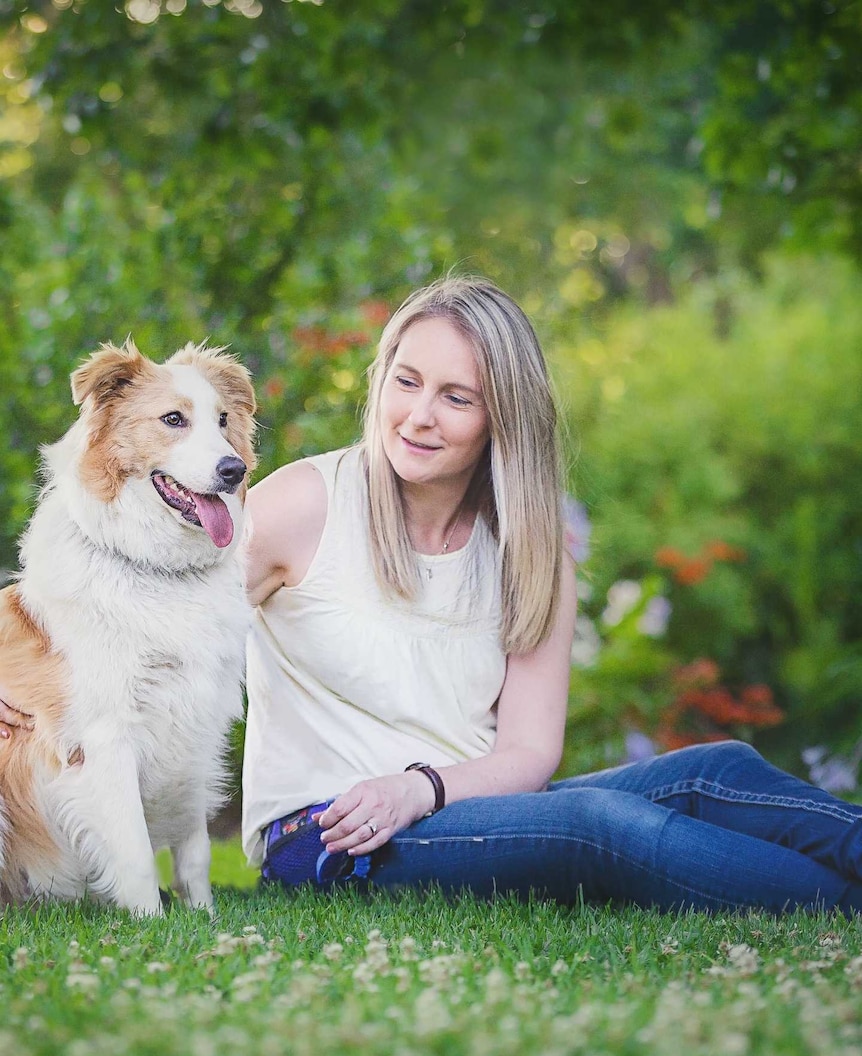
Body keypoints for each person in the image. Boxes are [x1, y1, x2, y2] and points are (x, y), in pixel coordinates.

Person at [2, 275, 862, 913]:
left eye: (457, 397)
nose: (419, 414)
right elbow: (125, 580)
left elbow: (528, 752)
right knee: (602, 827)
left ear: (501, 418)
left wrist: (421, 787)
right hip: (325, 835)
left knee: (722, 767)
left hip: (451, 808)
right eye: (406, 381)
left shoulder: (531, 546)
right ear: (380, 379)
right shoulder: (308, 504)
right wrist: (22, 659)